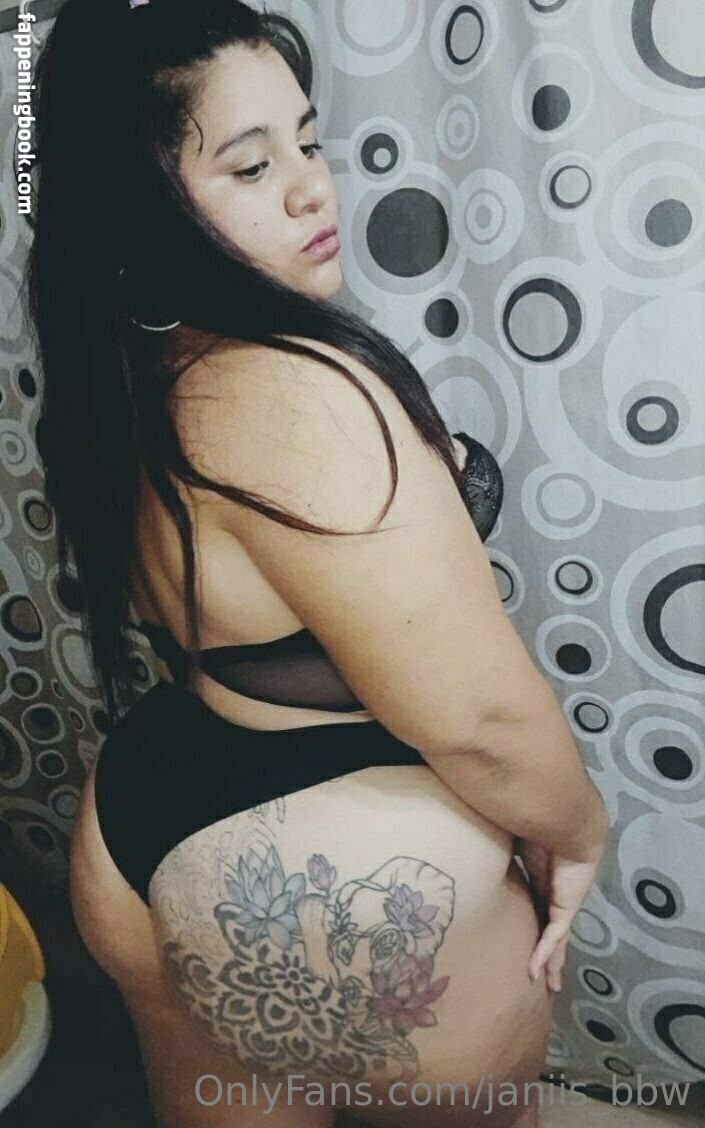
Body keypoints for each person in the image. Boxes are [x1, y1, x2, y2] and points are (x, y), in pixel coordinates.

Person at [24, 1, 608, 1125]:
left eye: (307, 140)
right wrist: (579, 830)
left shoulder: (126, 373)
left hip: (144, 822)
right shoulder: (296, 388)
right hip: (336, 878)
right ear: (137, 208)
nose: (310, 189)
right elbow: (481, 722)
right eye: (250, 167)